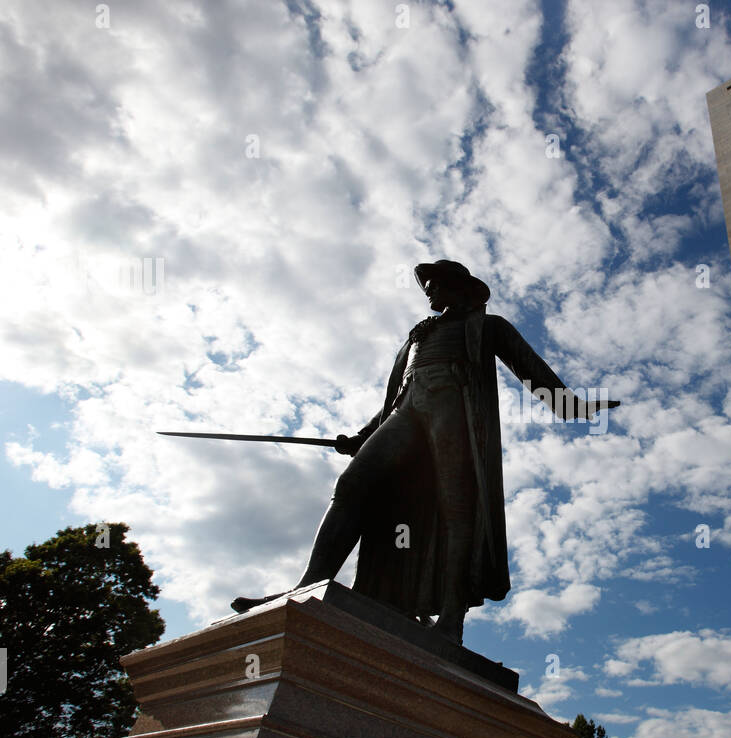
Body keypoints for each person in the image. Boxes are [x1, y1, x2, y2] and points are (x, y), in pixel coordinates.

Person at [231, 260, 619, 644]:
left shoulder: (487, 326)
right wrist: (363, 435)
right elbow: (399, 394)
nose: (428, 290)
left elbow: (529, 368)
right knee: (352, 485)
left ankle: (451, 620)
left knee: (457, 509)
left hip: (453, 411)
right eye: (426, 284)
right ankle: (309, 586)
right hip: (408, 412)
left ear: (458, 288)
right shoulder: (417, 337)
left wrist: (574, 406)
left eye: (435, 283)